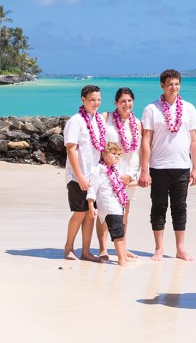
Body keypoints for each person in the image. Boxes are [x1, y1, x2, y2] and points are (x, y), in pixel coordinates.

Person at [138, 69, 196, 261]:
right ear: (162, 86)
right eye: (170, 84)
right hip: (158, 167)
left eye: (177, 84)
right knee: (158, 206)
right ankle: (158, 248)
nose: (174, 87)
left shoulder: (189, 108)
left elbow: (194, 140)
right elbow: (146, 140)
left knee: (179, 207)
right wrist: (144, 170)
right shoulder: (151, 109)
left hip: (182, 166)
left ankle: (180, 249)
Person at [96, 87, 143, 261]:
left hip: (127, 173)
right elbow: (98, 145)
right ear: (116, 103)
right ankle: (102, 248)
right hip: (108, 171)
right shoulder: (105, 118)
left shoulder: (136, 124)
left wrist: (130, 175)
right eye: (122, 101)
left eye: (129, 100)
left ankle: (121, 247)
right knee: (105, 210)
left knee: (124, 212)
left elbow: (137, 153)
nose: (126, 104)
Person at [63, 84, 105, 262]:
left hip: (94, 176)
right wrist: (79, 176)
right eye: (92, 100)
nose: (96, 103)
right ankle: (68, 247)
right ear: (83, 100)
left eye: (98, 100)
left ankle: (86, 251)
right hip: (77, 176)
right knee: (79, 213)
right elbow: (71, 150)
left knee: (90, 214)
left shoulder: (99, 121)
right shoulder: (76, 121)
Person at [87, 142, 136, 267]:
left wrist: (140, 183)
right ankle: (121, 259)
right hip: (108, 206)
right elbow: (92, 189)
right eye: (113, 154)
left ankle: (122, 256)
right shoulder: (98, 170)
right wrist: (91, 206)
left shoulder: (114, 170)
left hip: (117, 205)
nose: (117, 157)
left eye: (119, 154)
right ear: (103, 154)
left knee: (120, 230)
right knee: (118, 232)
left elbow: (121, 184)